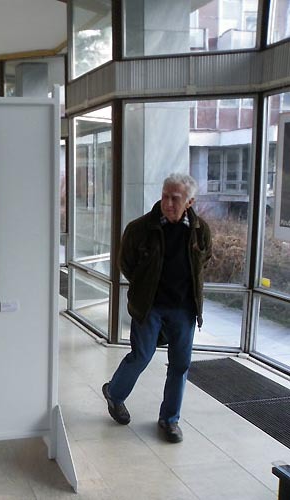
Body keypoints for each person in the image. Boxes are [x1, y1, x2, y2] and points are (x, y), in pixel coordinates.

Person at [102, 173, 212, 443]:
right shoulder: (139, 229)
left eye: (175, 198)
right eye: (165, 196)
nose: (168, 203)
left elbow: (203, 261)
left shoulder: (201, 231)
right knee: (141, 356)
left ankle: (170, 420)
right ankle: (114, 393)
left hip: (184, 309)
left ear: (190, 202)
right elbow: (126, 264)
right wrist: (145, 287)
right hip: (149, 306)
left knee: (180, 364)